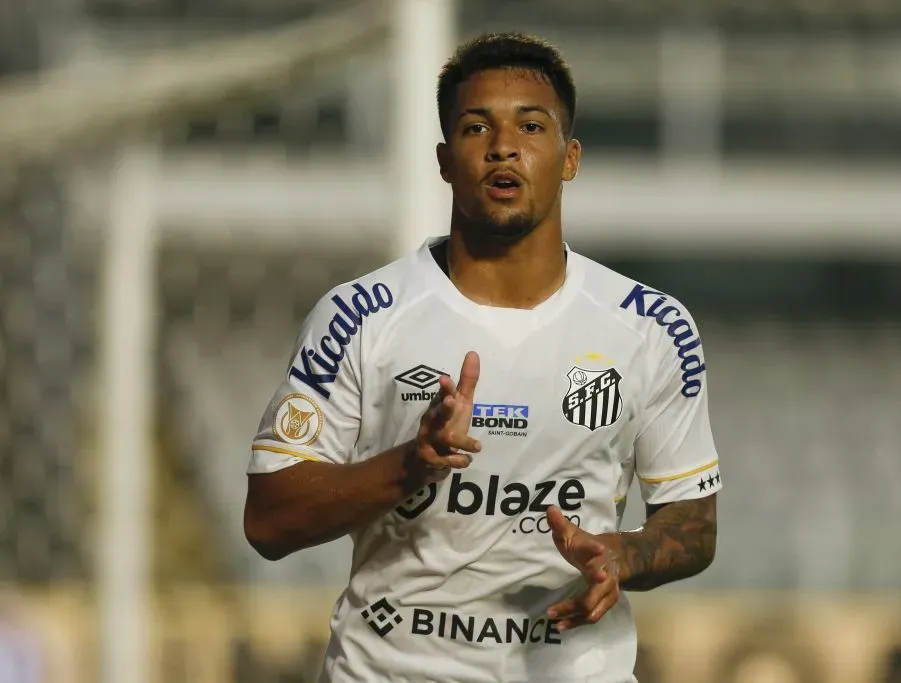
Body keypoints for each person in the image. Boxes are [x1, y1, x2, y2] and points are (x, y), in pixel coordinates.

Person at [244, 32, 721, 683]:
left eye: (531, 125)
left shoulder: (649, 327)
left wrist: (626, 555)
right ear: (444, 161)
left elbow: (694, 522)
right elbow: (268, 519)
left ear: (570, 157)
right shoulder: (359, 317)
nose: (503, 146)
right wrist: (410, 465)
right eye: (476, 127)